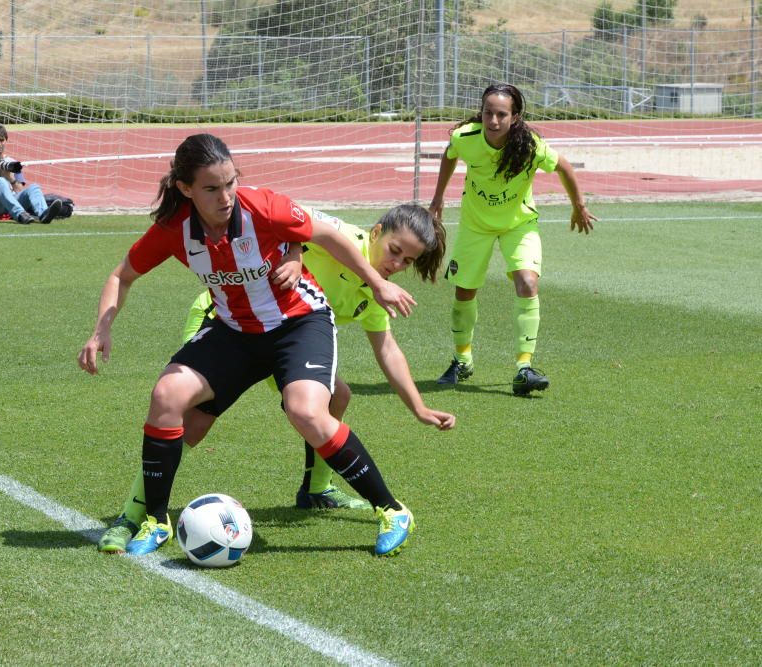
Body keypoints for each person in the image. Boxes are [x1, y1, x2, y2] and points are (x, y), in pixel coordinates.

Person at [78, 133, 419, 557]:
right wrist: (101, 329)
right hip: (235, 331)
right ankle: (154, 519)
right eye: (211, 188)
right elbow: (120, 275)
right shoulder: (174, 229)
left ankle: (390, 509)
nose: (225, 196)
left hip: (299, 322)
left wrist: (378, 283)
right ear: (185, 189)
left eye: (230, 183)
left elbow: (328, 235)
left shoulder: (262, 205)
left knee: (305, 411)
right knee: (168, 395)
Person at [428, 83, 597, 396]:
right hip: (475, 225)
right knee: (464, 291)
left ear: (515, 117)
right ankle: (462, 360)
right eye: (488, 113)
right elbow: (449, 156)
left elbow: (563, 166)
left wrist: (579, 206)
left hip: (518, 224)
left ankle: (524, 367)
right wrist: (438, 198)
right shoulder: (464, 138)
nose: (493, 120)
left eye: (501, 115)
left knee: (528, 283)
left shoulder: (530, 145)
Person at [0, 123, 62, 225]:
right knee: (0, 181)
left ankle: (43, 214)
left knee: (34, 187)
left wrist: (11, 178)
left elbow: (20, 191)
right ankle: (20, 214)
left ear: (6, 141)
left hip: (9, 204)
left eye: (2, 140)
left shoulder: (12, 163)